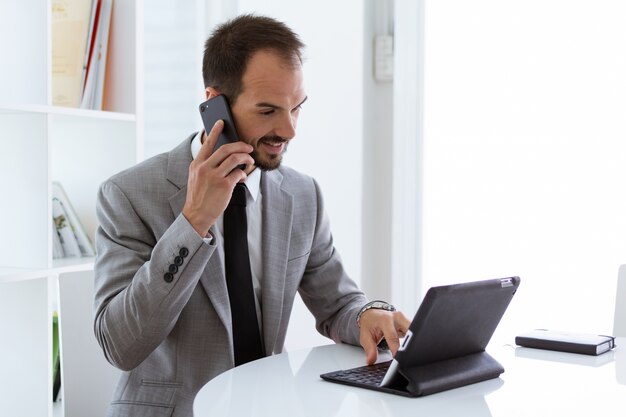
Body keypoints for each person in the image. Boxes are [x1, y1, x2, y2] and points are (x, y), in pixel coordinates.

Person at [93, 14, 410, 417]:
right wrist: (193, 223)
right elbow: (120, 345)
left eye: (297, 108)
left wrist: (368, 314)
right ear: (214, 103)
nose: (290, 129)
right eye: (268, 111)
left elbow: (337, 305)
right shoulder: (128, 194)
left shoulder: (302, 195)